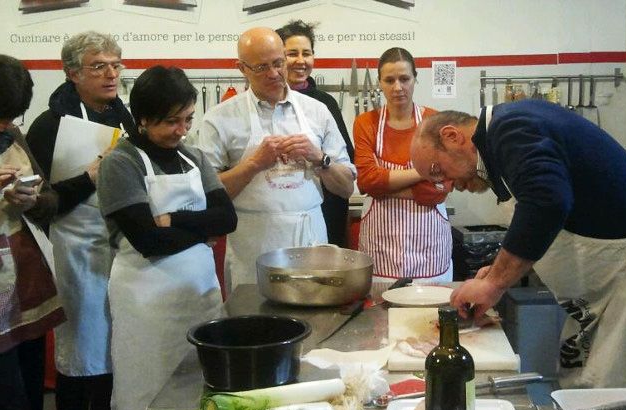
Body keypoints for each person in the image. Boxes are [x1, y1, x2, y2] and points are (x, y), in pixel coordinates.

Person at [410, 102, 626, 389]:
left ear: (452, 136)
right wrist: (495, 270)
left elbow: (546, 203)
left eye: (438, 171)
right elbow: (544, 219)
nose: (446, 186)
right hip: (618, 288)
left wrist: (495, 284)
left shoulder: (510, 129)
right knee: (603, 396)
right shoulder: (504, 139)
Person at [97, 66, 237, 410]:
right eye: (171, 121)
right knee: (146, 387)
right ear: (143, 118)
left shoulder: (193, 157)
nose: (181, 130)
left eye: (187, 120)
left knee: (201, 388)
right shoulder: (121, 163)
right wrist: (202, 231)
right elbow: (148, 240)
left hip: (199, 292)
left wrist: (175, 219)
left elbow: (227, 218)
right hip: (146, 301)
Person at [194, 27, 355, 291]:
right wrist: (254, 165)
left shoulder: (317, 111)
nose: (273, 73)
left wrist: (319, 158)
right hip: (253, 246)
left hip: (310, 240)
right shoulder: (219, 118)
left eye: (278, 63)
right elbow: (207, 197)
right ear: (242, 68)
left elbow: (346, 187)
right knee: (255, 326)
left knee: (316, 324)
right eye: (261, 67)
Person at [25, 31, 133, 410]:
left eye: (116, 65)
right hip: (72, 247)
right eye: (98, 66)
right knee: (80, 349)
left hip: (117, 245)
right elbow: (39, 204)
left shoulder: (123, 115)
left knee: (113, 346)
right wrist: (88, 178)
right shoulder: (48, 125)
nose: (111, 74)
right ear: (72, 73)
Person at [353, 47, 452, 296]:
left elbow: (440, 191)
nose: (397, 87)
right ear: (380, 83)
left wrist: (384, 189)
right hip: (381, 251)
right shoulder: (366, 123)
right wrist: (423, 172)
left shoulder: (435, 122)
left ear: (415, 79)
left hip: (430, 252)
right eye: (389, 80)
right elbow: (367, 181)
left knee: (431, 322)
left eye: (404, 79)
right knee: (380, 324)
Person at [0, 54, 65, 410]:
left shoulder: (13, 135)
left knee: (30, 387)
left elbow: (51, 201)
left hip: (26, 286)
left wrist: (33, 199)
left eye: (12, 118)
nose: (6, 127)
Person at [276, 20, 355, 248]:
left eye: (306, 53)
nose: (300, 61)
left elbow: (346, 159)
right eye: (292, 53)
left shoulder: (324, 103)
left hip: (325, 209)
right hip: (280, 213)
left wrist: (318, 157)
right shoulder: (261, 102)